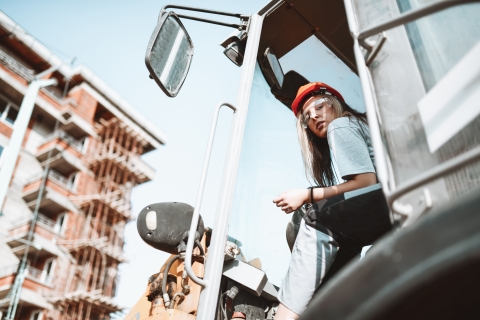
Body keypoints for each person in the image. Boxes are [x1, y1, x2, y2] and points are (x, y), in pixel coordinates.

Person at [273, 82, 392, 320]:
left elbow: (365, 184)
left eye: (318, 106)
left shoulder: (341, 125)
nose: (314, 116)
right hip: (394, 201)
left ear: (334, 102)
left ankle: (284, 316)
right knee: (344, 236)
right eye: (307, 117)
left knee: (316, 218)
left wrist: (306, 195)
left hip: (388, 197)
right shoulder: (359, 124)